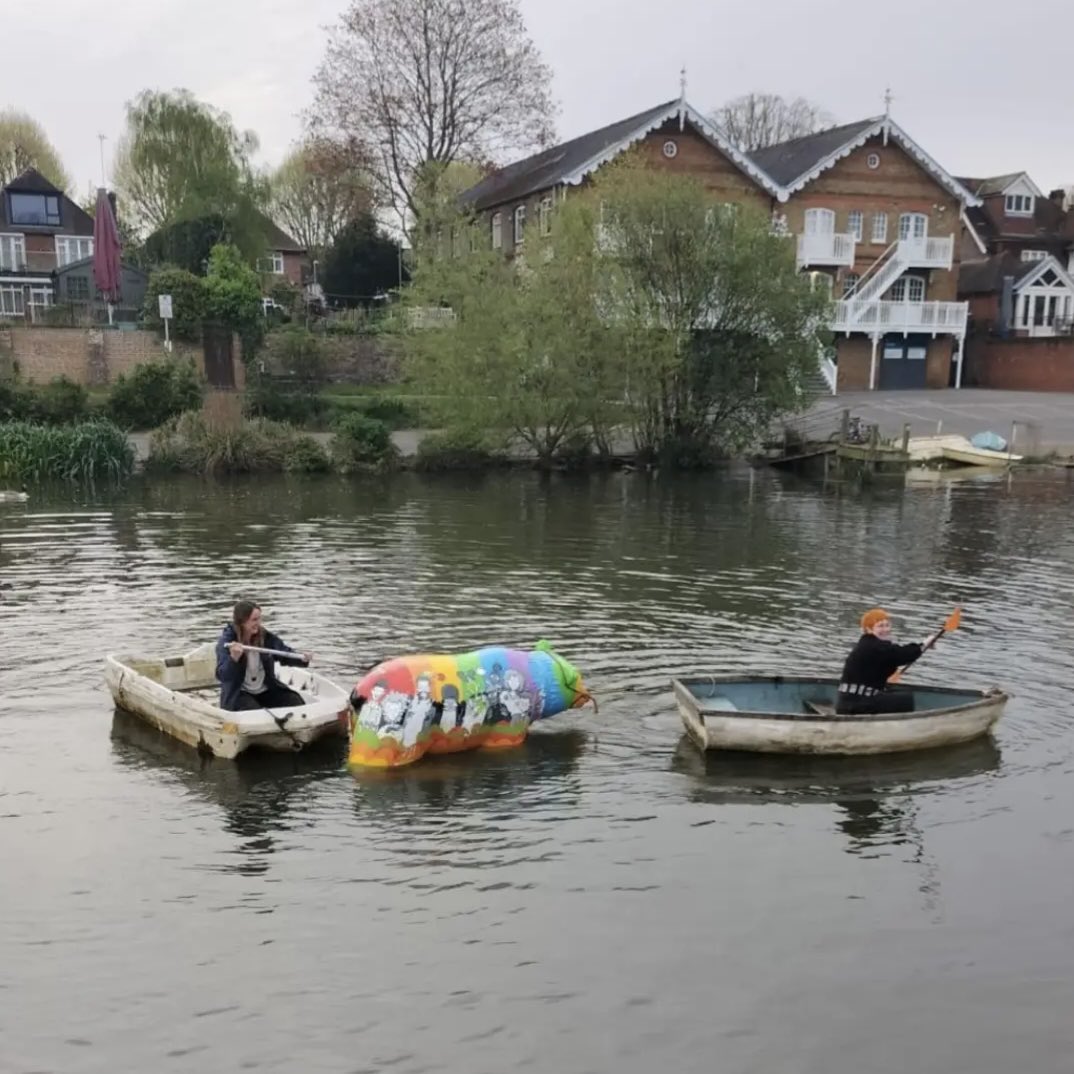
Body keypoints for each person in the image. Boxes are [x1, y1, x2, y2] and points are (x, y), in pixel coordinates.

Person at [836, 608, 940, 715]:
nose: (885, 629)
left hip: (850, 703)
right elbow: (901, 654)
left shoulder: (868, 644)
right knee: (905, 699)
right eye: (880, 626)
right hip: (856, 706)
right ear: (868, 629)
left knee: (897, 692)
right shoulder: (874, 646)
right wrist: (924, 644)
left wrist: (921, 647)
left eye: (887, 625)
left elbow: (892, 657)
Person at [215, 600, 313, 712]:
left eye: (259, 619)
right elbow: (222, 675)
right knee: (254, 712)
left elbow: (284, 653)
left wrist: (302, 658)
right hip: (239, 692)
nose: (258, 623)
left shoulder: (265, 637)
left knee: (295, 701)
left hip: (265, 689)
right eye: (254, 620)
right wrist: (234, 658)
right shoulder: (226, 642)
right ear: (242, 621)